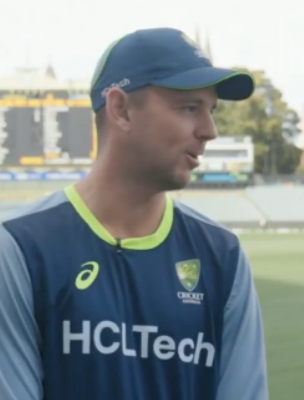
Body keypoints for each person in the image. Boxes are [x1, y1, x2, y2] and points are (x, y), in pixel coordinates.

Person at [0, 27, 267, 400]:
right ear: (121, 109)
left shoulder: (224, 256)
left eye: (212, 110)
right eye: (189, 108)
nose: (209, 130)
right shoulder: (19, 249)